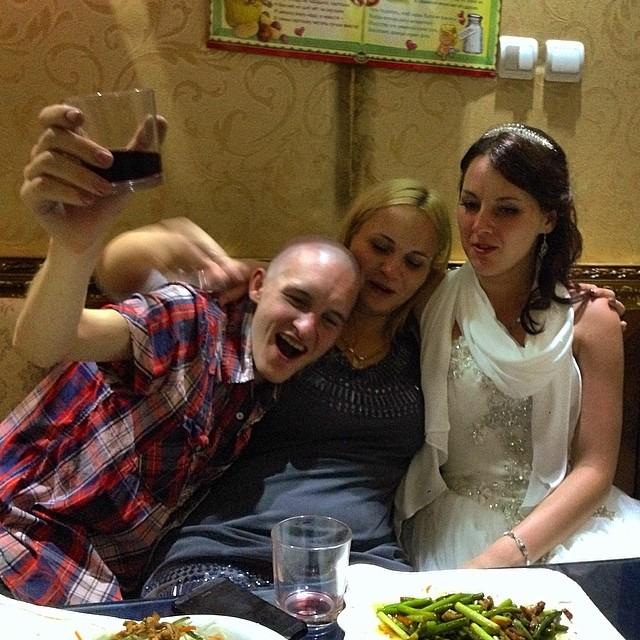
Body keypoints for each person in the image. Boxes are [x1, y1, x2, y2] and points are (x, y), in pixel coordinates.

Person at [0, 104, 361, 606]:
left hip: (100, 585)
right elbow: (49, 340)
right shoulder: (193, 322)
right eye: (297, 299)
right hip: (19, 535)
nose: (307, 326)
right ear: (258, 285)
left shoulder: (263, 395)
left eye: (330, 319)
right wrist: (75, 247)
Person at [93, 178, 453, 597]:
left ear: (429, 276)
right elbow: (118, 276)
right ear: (351, 237)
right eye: (380, 247)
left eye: (413, 262)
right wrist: (160, 241)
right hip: (229, 550)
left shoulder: (425, 343)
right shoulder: (284, 317)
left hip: (363, 564)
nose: (390, 270)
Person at [396, 122, 640, 570]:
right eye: (470, 204)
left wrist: (503, 556)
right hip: (454, 522)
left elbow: (595, 468)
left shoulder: (593, 320)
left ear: (548, 217)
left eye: (506, 210)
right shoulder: (427, 297)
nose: (479, 226)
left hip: (566, 522)